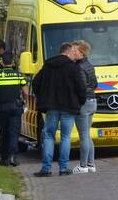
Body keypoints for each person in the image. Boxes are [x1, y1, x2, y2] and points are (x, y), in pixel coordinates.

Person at [31, 42, 87, 176]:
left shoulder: (48, 66)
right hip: (69, 107)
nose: (74, 55)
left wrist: (42, 97)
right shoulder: (73, 68)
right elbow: (81, 88)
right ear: (68, 52)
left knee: (49, 136)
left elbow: (35, 83)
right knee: (65, 137)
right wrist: (80, 102)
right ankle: (63, 168)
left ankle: (46, 168)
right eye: (73, 52)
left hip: (51, 106)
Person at [0, 53, 28, 167]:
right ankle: (13, 157)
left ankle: (4, 159)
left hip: (1, 108)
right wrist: (25, 101)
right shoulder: (19, 75)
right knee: (14, 132)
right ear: (13, 62)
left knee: (4, 132)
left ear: (2, 63)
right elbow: (25, 92)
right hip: (16, 107)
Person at [71, 39, 98, 174]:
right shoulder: (89, 65)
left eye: (75, 50)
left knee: (83, 135)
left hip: (84, 102)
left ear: (81, 52)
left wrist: (78, 100)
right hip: (92, 101)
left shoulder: (79, 67)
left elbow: (80, 87)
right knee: (87, 134)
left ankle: (83, 166)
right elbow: (95, 84)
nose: (72, 52)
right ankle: (91, 164)